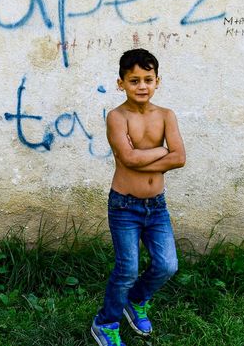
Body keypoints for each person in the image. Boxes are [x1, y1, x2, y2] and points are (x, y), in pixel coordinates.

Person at [91, 48, 186, 346]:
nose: (142, 86)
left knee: (167, 265)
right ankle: (105, 323)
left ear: (158, 81)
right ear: (121, 83)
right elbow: (128, 159)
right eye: (134, 80)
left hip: (156, 207)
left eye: (148, 79)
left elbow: (180, 157)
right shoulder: (117, 118)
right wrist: (162, 151)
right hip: (124, 206)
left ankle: (136, 301)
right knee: (127, 268)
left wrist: (152, 154)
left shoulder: (167, 116)